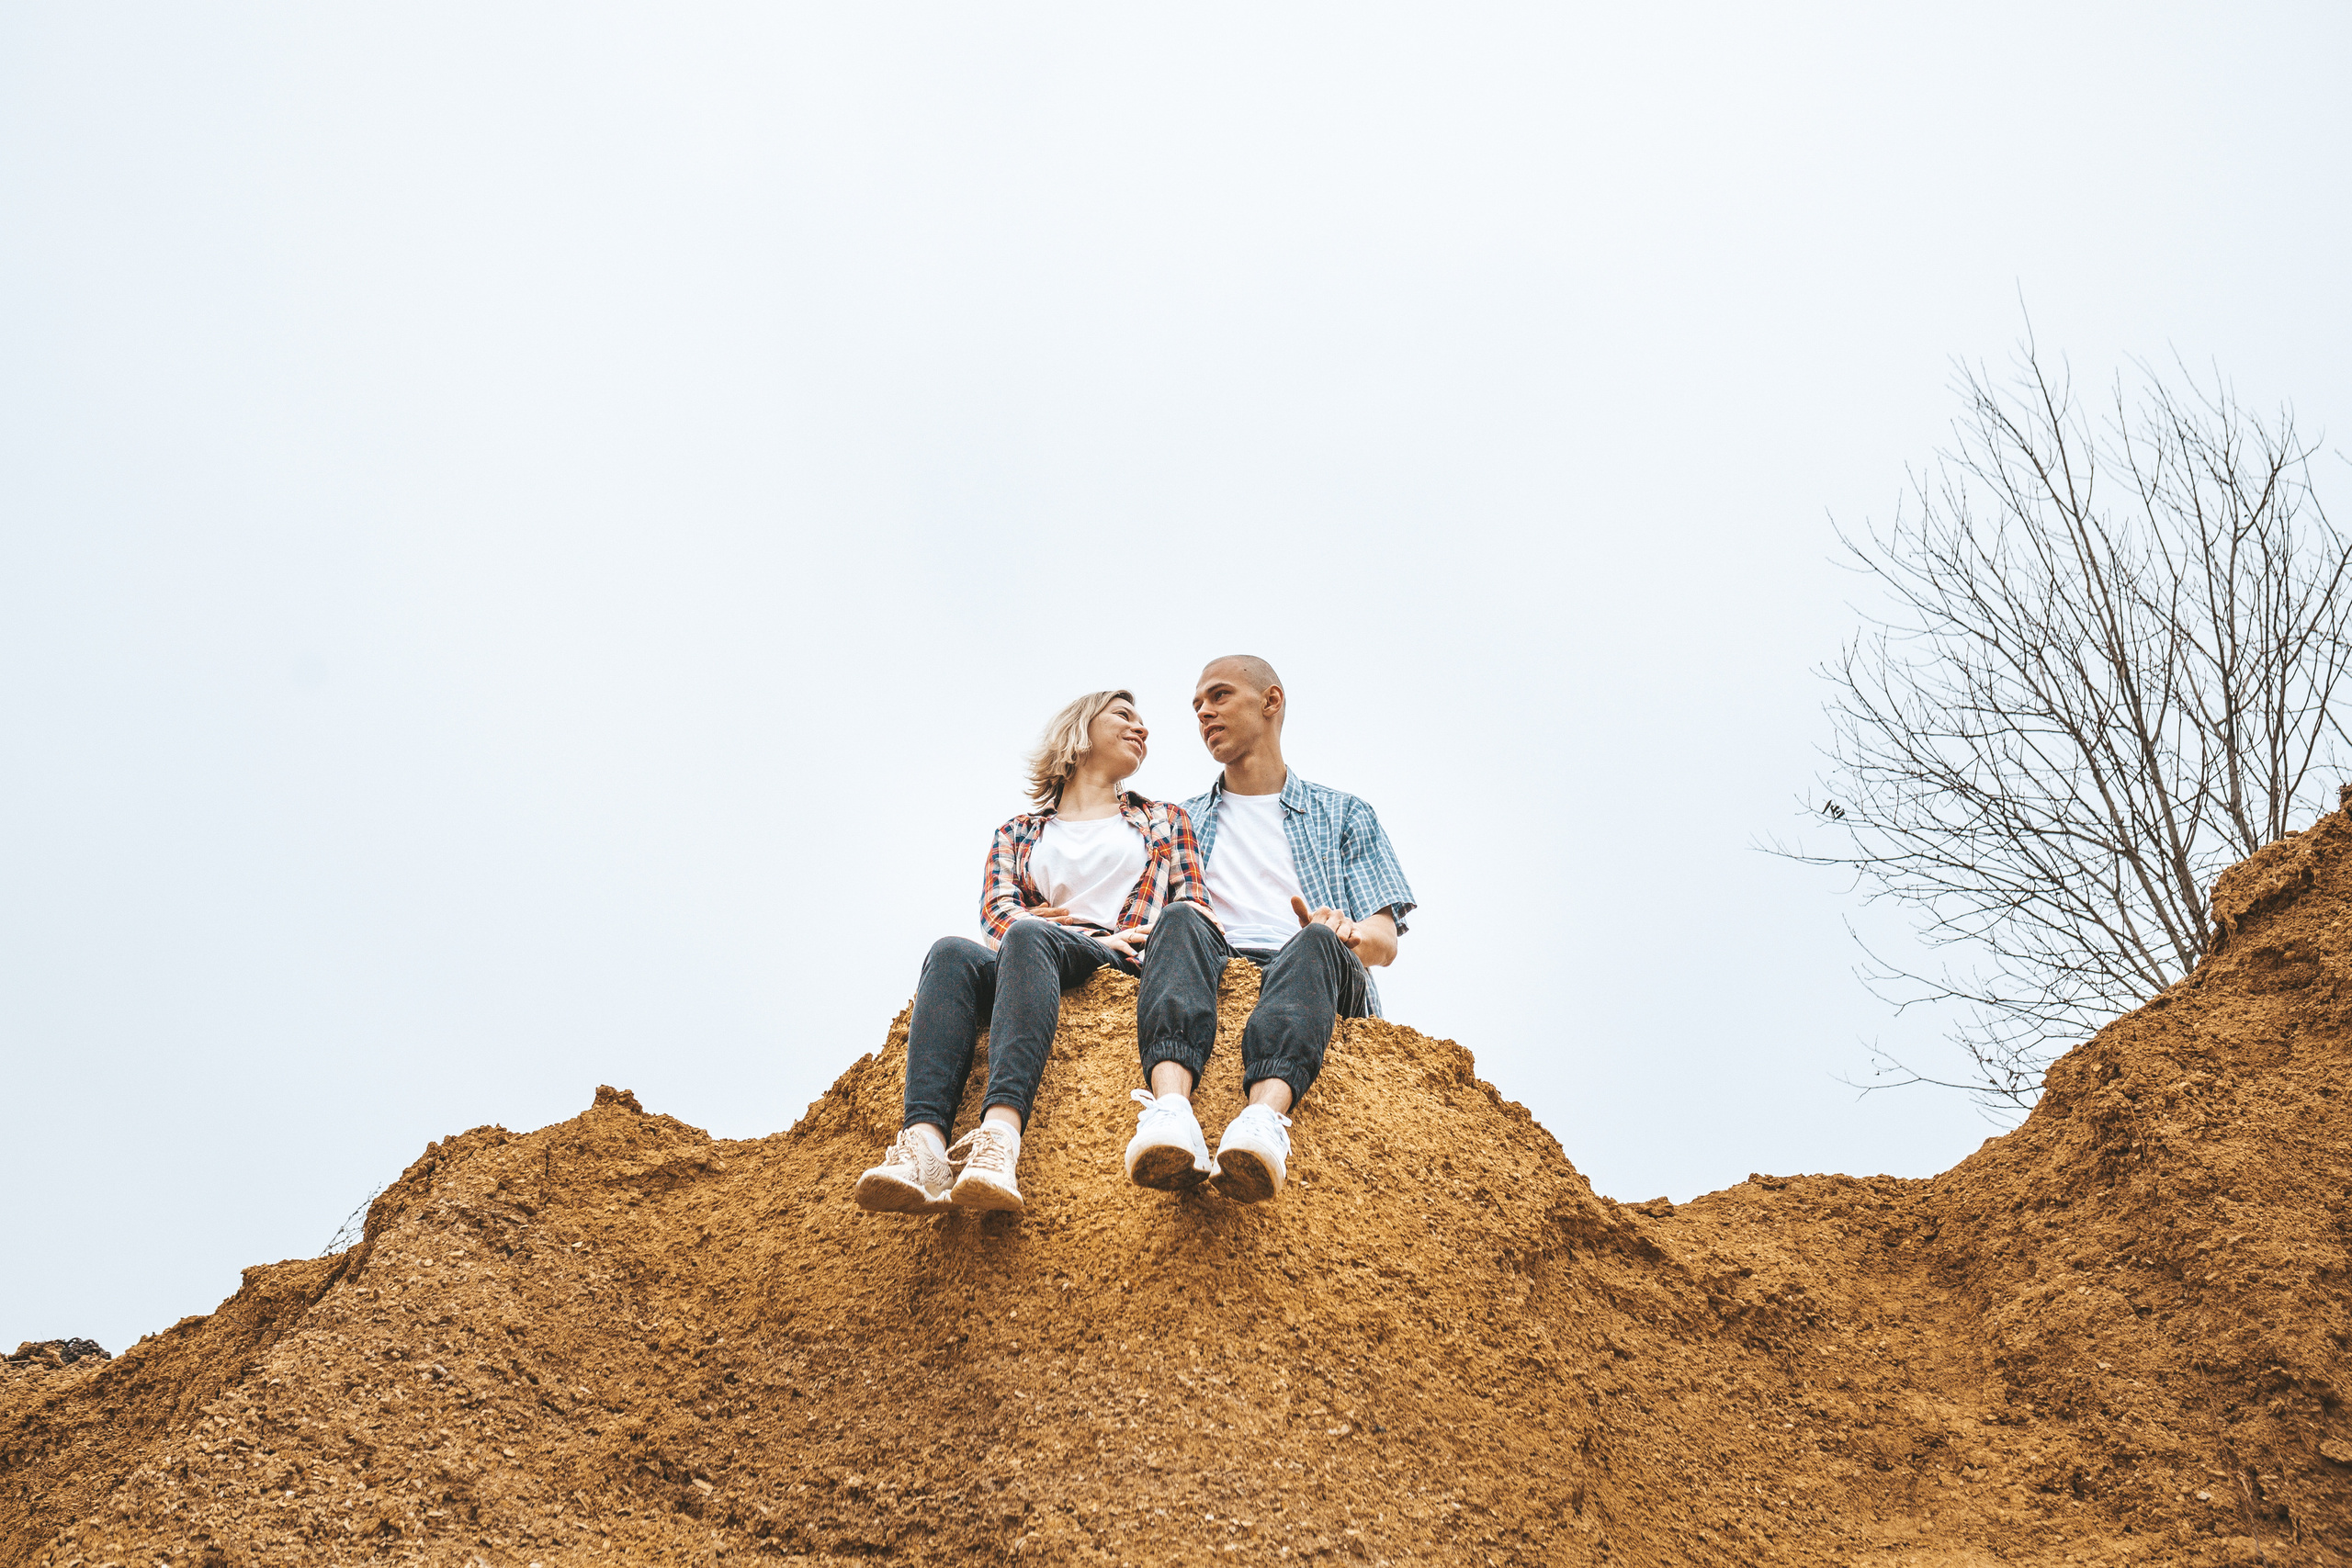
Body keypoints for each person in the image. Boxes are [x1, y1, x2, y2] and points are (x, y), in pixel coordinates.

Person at [854, 689, 1210, 1216]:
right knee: (950, 952)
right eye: (1124, 716)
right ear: (1081, 730)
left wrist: (1093, 938)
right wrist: (1040, 928)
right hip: (1036, 954)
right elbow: (996, 915)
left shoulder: (1164, 819)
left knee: (1027, 935)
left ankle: (998, 1139)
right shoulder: (1017, 833)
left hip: (1119, 955)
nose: (1143, 729)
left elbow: (1194, 911)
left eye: (1144, 722)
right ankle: (923, 1147)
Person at [1124, 655, 1416, 1203]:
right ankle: (1170, 1112)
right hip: (1213, 959)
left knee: (1312, 939)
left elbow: (1385, 942)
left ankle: (1262, 1122)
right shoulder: (1177, 821)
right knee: (1181, 916)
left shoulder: (1345, 813)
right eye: (1196, 706)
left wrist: (1343, 931)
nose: (1204, 713)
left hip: (1315, 968)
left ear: (1270, 701)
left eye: (1219, 696)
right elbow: (1135, 924)